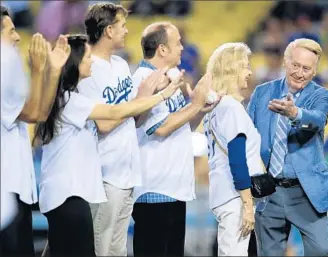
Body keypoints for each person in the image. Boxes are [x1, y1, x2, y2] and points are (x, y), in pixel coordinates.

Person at [34, 34, 181, 255]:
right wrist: (160, 96)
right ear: (75, 63)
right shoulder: (69, 100)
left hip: (68, 194)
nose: (92, 61)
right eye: (87, 57)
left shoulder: (67, 98)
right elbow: (115, 112)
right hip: (68, 194)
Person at [79, 3, 172, 256]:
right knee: (101, 248)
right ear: (108, 30)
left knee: (118, 250)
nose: (127, 31)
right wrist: (142, 100)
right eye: (122, 25)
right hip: (104, 174)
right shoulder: (87, 68)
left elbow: (136, 119)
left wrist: (147, 95)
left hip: (127, 172)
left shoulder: (120, 65)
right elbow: (104, 124)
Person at [247, 38, 328, 256]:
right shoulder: (262, 93)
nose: (300, 73)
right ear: (285, 62)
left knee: (319, 251)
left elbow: (317, 119)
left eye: (307, 68)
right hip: (268, 192)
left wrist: (294, 113)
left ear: (315, 70)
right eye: (296, 65)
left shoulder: (322, 96)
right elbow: (248, 134)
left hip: (306, 192)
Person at [132, 21, 220, 257]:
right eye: (178, 42)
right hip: (154, 189)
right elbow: (159, 128)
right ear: (162, 49)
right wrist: (196, 104)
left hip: (173, 187)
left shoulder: (169, 78)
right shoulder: (145, 79)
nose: (183, 47)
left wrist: (200, 109)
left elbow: (183, 126)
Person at [0, 5, 71, 255]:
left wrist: (50, 72)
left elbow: (38, 111)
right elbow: (34, 114)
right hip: (6, 189)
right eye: (10, 31)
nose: (17, 36)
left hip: (16, 187)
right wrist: (40, 70)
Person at [202, 42, 264, 256]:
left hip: (225, 193)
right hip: (235, 196)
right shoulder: (230, 107)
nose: (249, 72)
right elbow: (237, 159)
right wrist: (247, 204)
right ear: (232, 69)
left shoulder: (215, 107)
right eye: (245, 66)